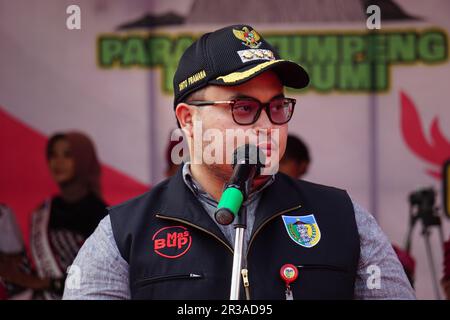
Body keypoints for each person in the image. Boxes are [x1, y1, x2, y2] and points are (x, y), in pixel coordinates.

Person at [63, 25, 415, 300]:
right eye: (243, 108)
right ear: (187, 120)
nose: (267, 126)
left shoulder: (342, 217)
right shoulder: (124, 232)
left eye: (277, 107)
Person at [2, 132, 107, 299]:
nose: (58, 162)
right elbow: (30, 270)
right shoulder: (43, 211)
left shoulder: (101, 215)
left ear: (83, 159)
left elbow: (102, 279)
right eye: (53, 154)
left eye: (67, 155)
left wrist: (47, 283)